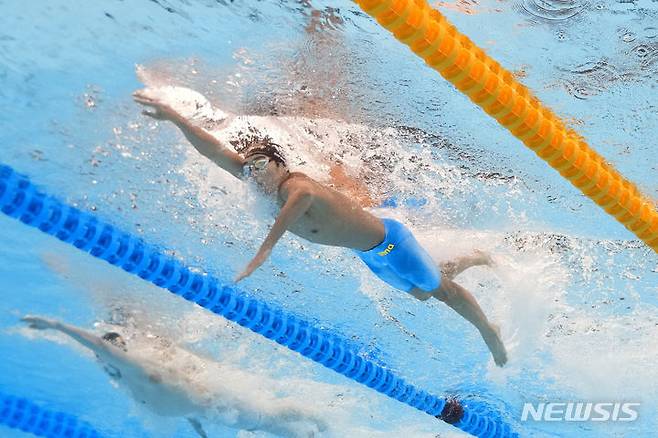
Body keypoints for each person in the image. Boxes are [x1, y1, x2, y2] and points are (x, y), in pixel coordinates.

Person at [132, 87, 508, 367]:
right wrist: (174, 118)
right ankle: (471, 259)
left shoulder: (296, 186)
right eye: (249, 167)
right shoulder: (259, 180)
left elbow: (299, 206)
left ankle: (488, 330)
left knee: (443, 292)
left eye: (261, 163)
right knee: (425, 292)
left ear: (279, 163)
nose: (254, 172)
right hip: (371, 255)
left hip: (392, 242)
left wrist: (263, 252)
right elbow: (213, 150)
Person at [21, 315, 327, 437]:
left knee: (269, 421)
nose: (100, 359)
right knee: (268, 420)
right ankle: (320, 424)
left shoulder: (130, 366)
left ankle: (326, 424)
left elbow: (99, 344)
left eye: (104, 354)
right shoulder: (123, 376)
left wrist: (55, 325)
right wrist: (198, 426)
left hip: (217, 403)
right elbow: (174, 394)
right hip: (210, 409)